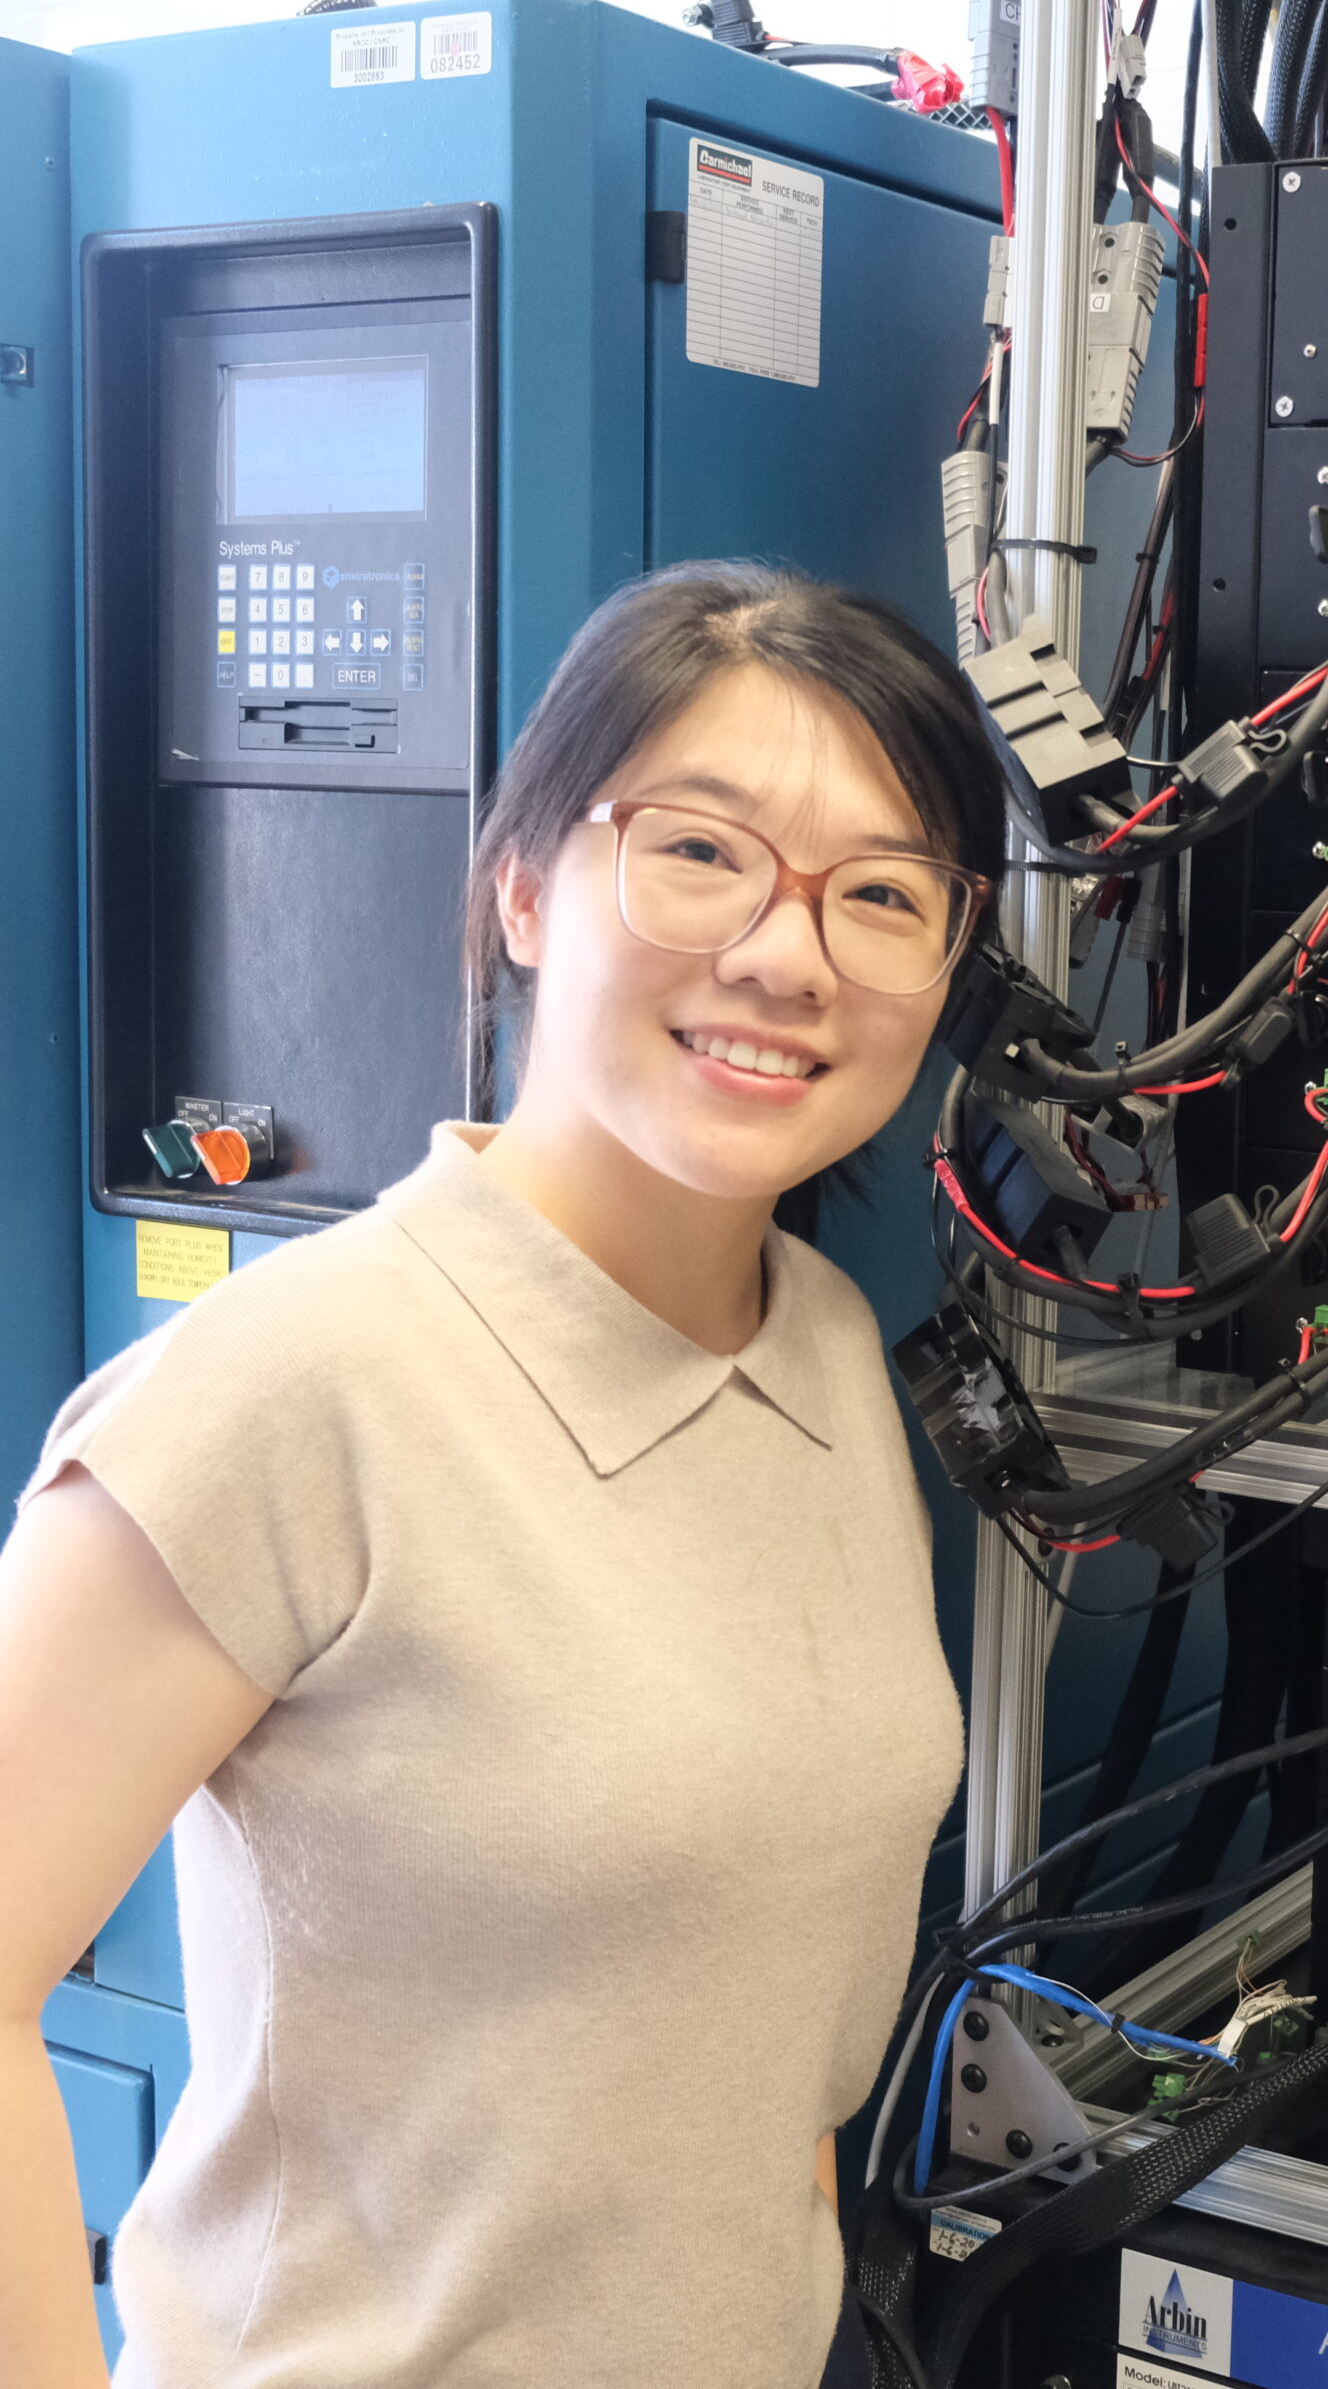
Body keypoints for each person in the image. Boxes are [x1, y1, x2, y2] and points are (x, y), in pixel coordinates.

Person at [0, 564, 1007, 2389]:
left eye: (882, 894)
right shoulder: (288, 1389)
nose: (789, 953)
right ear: (526, 888)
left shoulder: (831, 1352)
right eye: (699, 851)